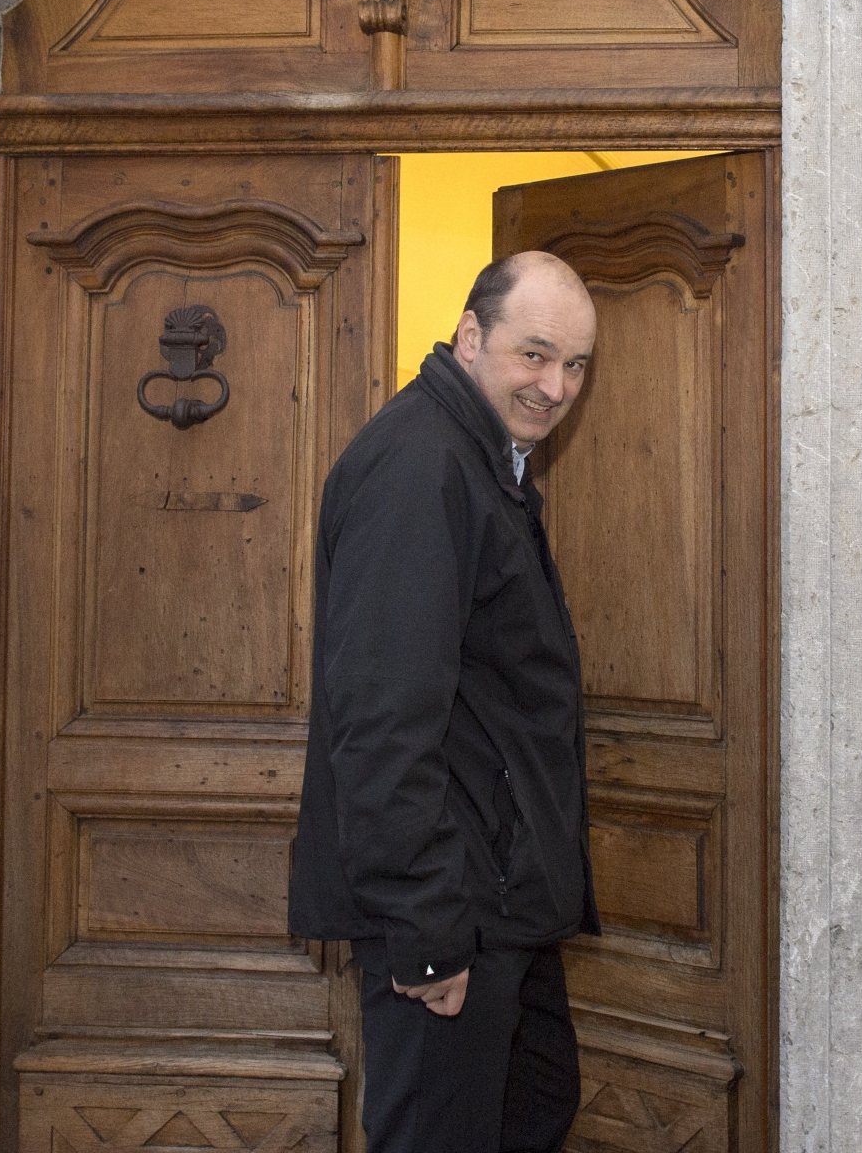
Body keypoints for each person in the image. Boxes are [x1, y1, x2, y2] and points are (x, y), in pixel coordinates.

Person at [289, 251, 601, 1152]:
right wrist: (427, 934)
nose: (555, 386)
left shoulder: (482, 458)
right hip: (449, 915)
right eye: (534, 355)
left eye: (575, 364)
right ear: (471, 336)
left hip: (499, 903)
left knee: (533, 1108)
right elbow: (383, 718)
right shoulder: (420, 467)